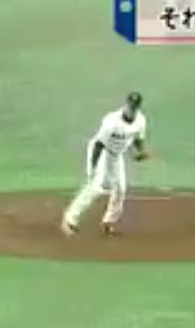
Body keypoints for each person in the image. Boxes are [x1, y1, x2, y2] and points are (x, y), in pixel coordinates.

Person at [61, 92, 152, 237]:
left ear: (138, 107)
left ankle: (108, 222)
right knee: (94, 186)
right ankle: (69, 220)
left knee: (120, 188)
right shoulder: (111, 122)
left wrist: (142, 151)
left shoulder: (140, 121)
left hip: (116, 155)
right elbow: (98, 145)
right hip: (101, 152)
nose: (131, 109)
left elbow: (138, 139)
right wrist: (93, 168)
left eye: (134, 107)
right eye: (129, 105)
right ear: (126, 104)